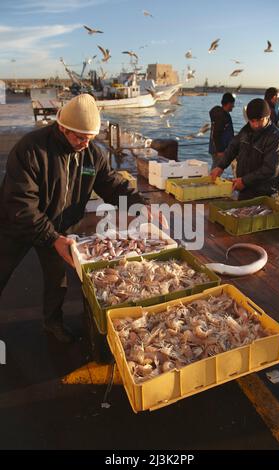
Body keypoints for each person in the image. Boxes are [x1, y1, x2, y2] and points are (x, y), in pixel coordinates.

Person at [0, 94, 164, 343]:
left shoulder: (91, 155)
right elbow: (21, 204)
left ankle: (52, 323)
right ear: (62, 128)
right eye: (79, 137)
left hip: (58, 226)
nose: (85, 144)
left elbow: (112, 184)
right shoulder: (31, 149)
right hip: (17, 223)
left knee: (58, 280)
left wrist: (140, 204)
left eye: (90, 139)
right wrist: (50, 235)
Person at [210, 98, 279, 200]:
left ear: (267, 117)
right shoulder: (246, 130)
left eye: (259, 120)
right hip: (245, 188)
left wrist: (244, 181)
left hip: (264, 193)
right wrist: (220, 166)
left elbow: (270, 169)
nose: (255, 125)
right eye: (252, 121)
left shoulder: (276, 138)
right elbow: (233, 147)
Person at [209, 92, 235, 169]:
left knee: (217, 167)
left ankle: (212, 180)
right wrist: (220, 150)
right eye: (233, 103)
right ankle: (211, 181)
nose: (233, 106)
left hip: (218, 148)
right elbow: (216, 134)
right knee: (217, 168)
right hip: (219, 149)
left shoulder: (222, 114)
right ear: (229, 103)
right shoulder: (221, 116)